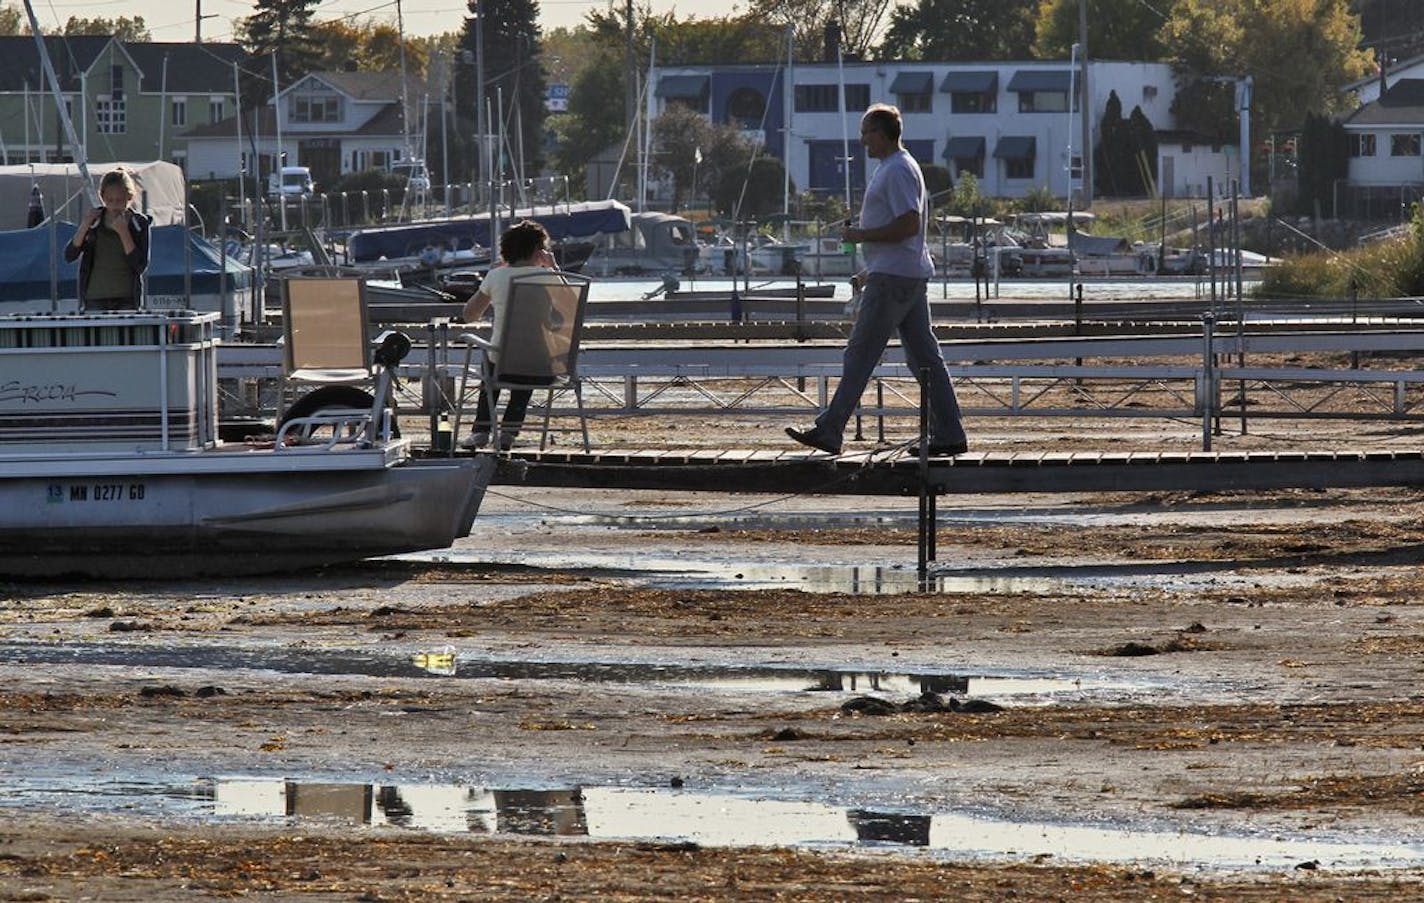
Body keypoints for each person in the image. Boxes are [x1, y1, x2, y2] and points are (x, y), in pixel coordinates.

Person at [786, 103, 968, 457]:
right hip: (903, 274)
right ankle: (950, 433)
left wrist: (861, 235)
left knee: (860, 353)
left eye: (866, 132)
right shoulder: (898, 166)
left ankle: (830, 430)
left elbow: (908, 224)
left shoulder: (897, 170)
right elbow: (909, 236)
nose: (862, 140)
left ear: (882, 134)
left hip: (895, 278)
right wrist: (870, 269)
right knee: (925, 359)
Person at [460, 219, 559, 450]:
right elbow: (571, 311)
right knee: (526, 368)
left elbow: (469, 315)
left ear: (506, 250)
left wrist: (492, 276)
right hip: (544, 368)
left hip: (502, 365)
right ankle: (508, 433)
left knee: (491, 365)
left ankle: (481, 432)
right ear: (539, 251)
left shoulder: (497, 276)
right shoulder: (550, 278)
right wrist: (554, 268)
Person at [64, 168, 151, 312]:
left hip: (127, 299)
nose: (115, 205)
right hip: (94, 298)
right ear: (102, 197)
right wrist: (85, 225)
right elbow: (69, 255)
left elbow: (140, 265)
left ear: (129, 198)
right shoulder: (95, 221)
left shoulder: (139, 224)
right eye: (110, 200)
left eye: (120, 200)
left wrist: (124, 233)